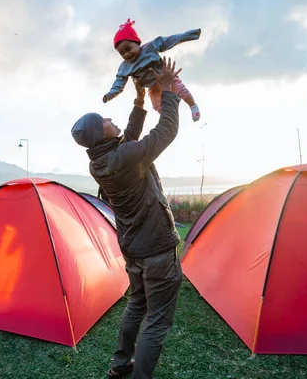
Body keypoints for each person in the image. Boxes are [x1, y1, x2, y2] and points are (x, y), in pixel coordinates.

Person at [72, 56, 184, 379]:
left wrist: (138, 101)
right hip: (156, 250)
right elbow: (166, 132)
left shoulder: (100, 161)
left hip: (134, 250)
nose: (110, 119)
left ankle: (120, 365)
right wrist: (167, 90)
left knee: (137, 304)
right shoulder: (123, 157)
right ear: (101, 135)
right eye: (105, 120)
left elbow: (128, 142)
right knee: (158, 319)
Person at [103, 19, 202, 122]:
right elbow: (118, 84)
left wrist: (191, 34)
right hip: (152, 87)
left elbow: (169, 40)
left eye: (128, 49)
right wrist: (109, 95)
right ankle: (170, 118)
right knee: (157, 105)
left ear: (137, 43)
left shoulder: (149, 48)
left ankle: (193, 106)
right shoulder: (124, 67)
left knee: (180, 89)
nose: (127, 54)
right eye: (122, 53)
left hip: (165, 76)